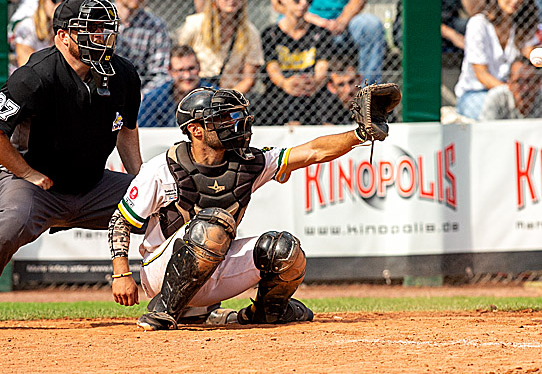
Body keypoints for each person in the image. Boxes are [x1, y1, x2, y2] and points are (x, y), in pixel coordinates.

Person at [109, 85, 396, 330]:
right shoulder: (162, 167)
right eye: (220, 119)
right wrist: (121, 273)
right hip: (160, 272)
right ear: (195, 130)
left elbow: (312, 151)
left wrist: (359, 134)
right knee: (211, 226)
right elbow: (120, 221)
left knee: (284, 250)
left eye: (231, 116)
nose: (232, 123)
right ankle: (163, 311)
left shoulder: (249, 162)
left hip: (215, 268)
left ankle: (266, 312)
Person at [0, 0, 143, 333]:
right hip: (34, 183)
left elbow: (127, 130)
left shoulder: (123, 74)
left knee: (167, 207)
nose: (101, 37)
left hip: (93, 185)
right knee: (10, 222)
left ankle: (187, 302)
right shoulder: (36, 74)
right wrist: (27, 173)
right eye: (90, 29)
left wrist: (142, 185)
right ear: (63, 36)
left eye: (105, 29)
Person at [453, 0, 539, 120]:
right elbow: (481, 74)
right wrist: (510, 92)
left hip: (514, 93)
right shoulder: (478, 24)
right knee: (500, 115)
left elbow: (530, 57)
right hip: (476, 93)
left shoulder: (523, 27)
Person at [260, 0, 334, 126]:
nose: (303, 3)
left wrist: (314, 83)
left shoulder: (320, 34)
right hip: (281, 95)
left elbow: (322, 68)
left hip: (313, 94)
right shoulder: (270, 34)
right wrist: (285, 83)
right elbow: (272, 68)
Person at [177, 0, 264, 95]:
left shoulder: (250, 32)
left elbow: (249, 79)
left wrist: (224, 99)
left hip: (231, 96)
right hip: (195, 93)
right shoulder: (194, 25)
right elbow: (178, 62)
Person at [107, 0, 173, 92]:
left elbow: (161, 72)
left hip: (141, 93)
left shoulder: (155, 26)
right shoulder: (99, 21)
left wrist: (141, 96)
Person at [138, 45, 218, 128]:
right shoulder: (154, 99)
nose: (187, 75)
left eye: (191, 68)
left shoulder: (214, 95)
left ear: (199, 67)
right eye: (180, 70)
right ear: (170, 71)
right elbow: (142, 128)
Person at [11, 0, 74, 67]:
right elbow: (26, 67)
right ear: (43, 0)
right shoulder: (27, 27)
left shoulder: (74, 27)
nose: (61, 4)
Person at [479, 57, 542, 121]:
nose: (525, 88)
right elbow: (484, 129)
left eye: (530, 81)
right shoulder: (496, 98)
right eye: (519, 81)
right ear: (509, 84)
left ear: (539, 83)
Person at [319, 55, 362, 126]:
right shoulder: (326, 108)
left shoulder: (371, 103)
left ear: (359, 79)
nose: (348, 90)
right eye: (341, 85)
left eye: (351, 82)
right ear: (331, 87)